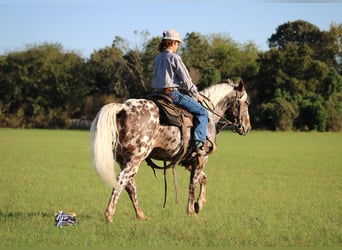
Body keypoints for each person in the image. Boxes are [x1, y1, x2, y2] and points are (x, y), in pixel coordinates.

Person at [152, 29, 208, 156]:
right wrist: (197, 95)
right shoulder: (174, 58)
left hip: (156, 95)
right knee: (202, 112)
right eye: (177, 43)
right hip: (172, 94)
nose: (177, 46)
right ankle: (199, 143)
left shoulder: (157, 58)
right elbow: (186, 81)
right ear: (172, 42)